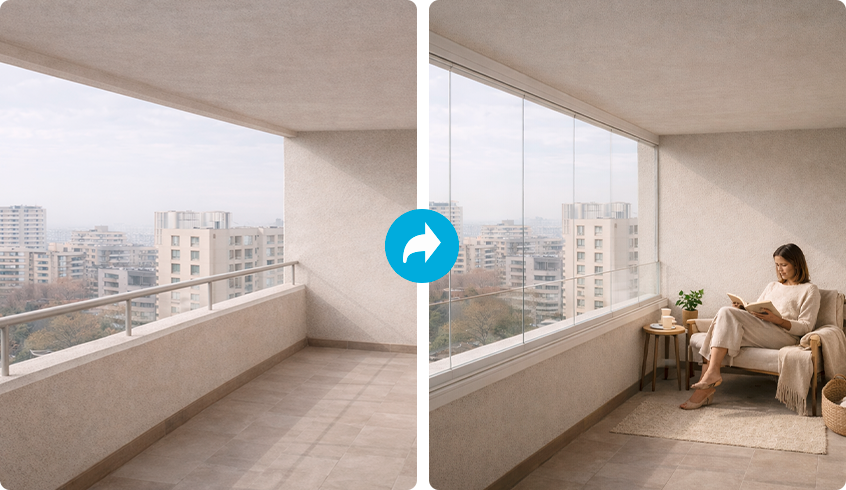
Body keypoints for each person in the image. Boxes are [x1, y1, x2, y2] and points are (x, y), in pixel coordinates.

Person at [680, 243, 820, 410]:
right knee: (726, 318)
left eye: (784, 265)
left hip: (784, 335)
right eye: (777, 265)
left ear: (797, 264)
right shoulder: (772, 286)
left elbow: (806, 327)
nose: (780, 269)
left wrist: (778, 320)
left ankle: (711, 375)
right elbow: (757, 308)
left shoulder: (810, 290)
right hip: (763, 330)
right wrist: (744, 309)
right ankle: (707, 384)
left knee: (725, 315)